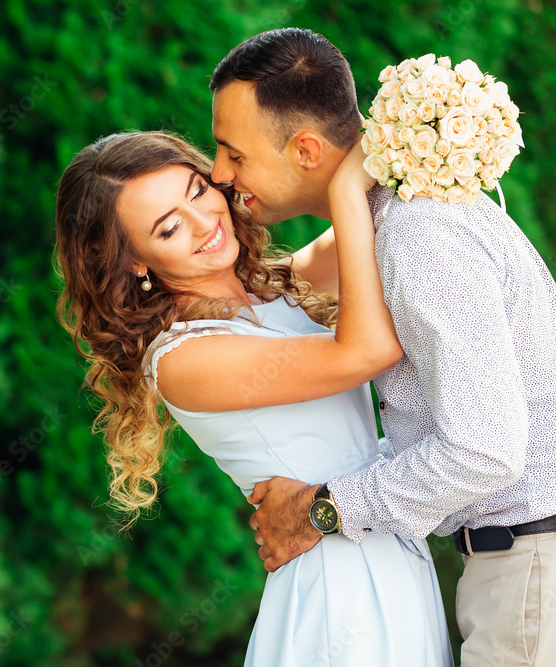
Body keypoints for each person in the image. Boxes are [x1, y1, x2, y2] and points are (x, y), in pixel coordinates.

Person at [211, 28, 556, 667]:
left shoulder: (417, 235)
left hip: (534, 569)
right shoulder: (390, 216)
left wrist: (324, 508)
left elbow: (484, 449)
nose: (219, 173)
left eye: (234, 153)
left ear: (307, 149)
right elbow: (281, 289)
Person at [54, 130, 453, 666]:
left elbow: (374, 212)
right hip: (336, 587)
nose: (204, 223)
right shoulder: (182, 360)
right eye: (169, 228)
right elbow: (366, 352)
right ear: (134, 262)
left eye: (197, 192)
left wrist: (424, 115)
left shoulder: (277, 291)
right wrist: (343, 190)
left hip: (385, 549)